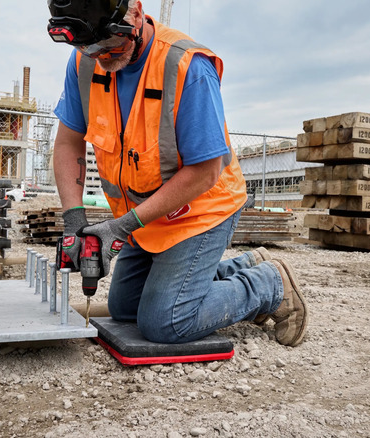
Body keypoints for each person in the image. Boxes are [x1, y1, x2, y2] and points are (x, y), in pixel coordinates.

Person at [48, 0, 308, 346]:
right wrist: (73, 218)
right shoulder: (85, 62)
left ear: (136, 13)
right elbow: (68, 143)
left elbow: (205, 172)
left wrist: (122, 226)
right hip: (147, 217)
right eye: (89, 47)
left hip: (200, 209)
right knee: (125, 310)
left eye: (110, 45)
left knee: (166, 322)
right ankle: (243, 265)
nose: (102, 58)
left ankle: (270, 284)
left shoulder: (187, 67)